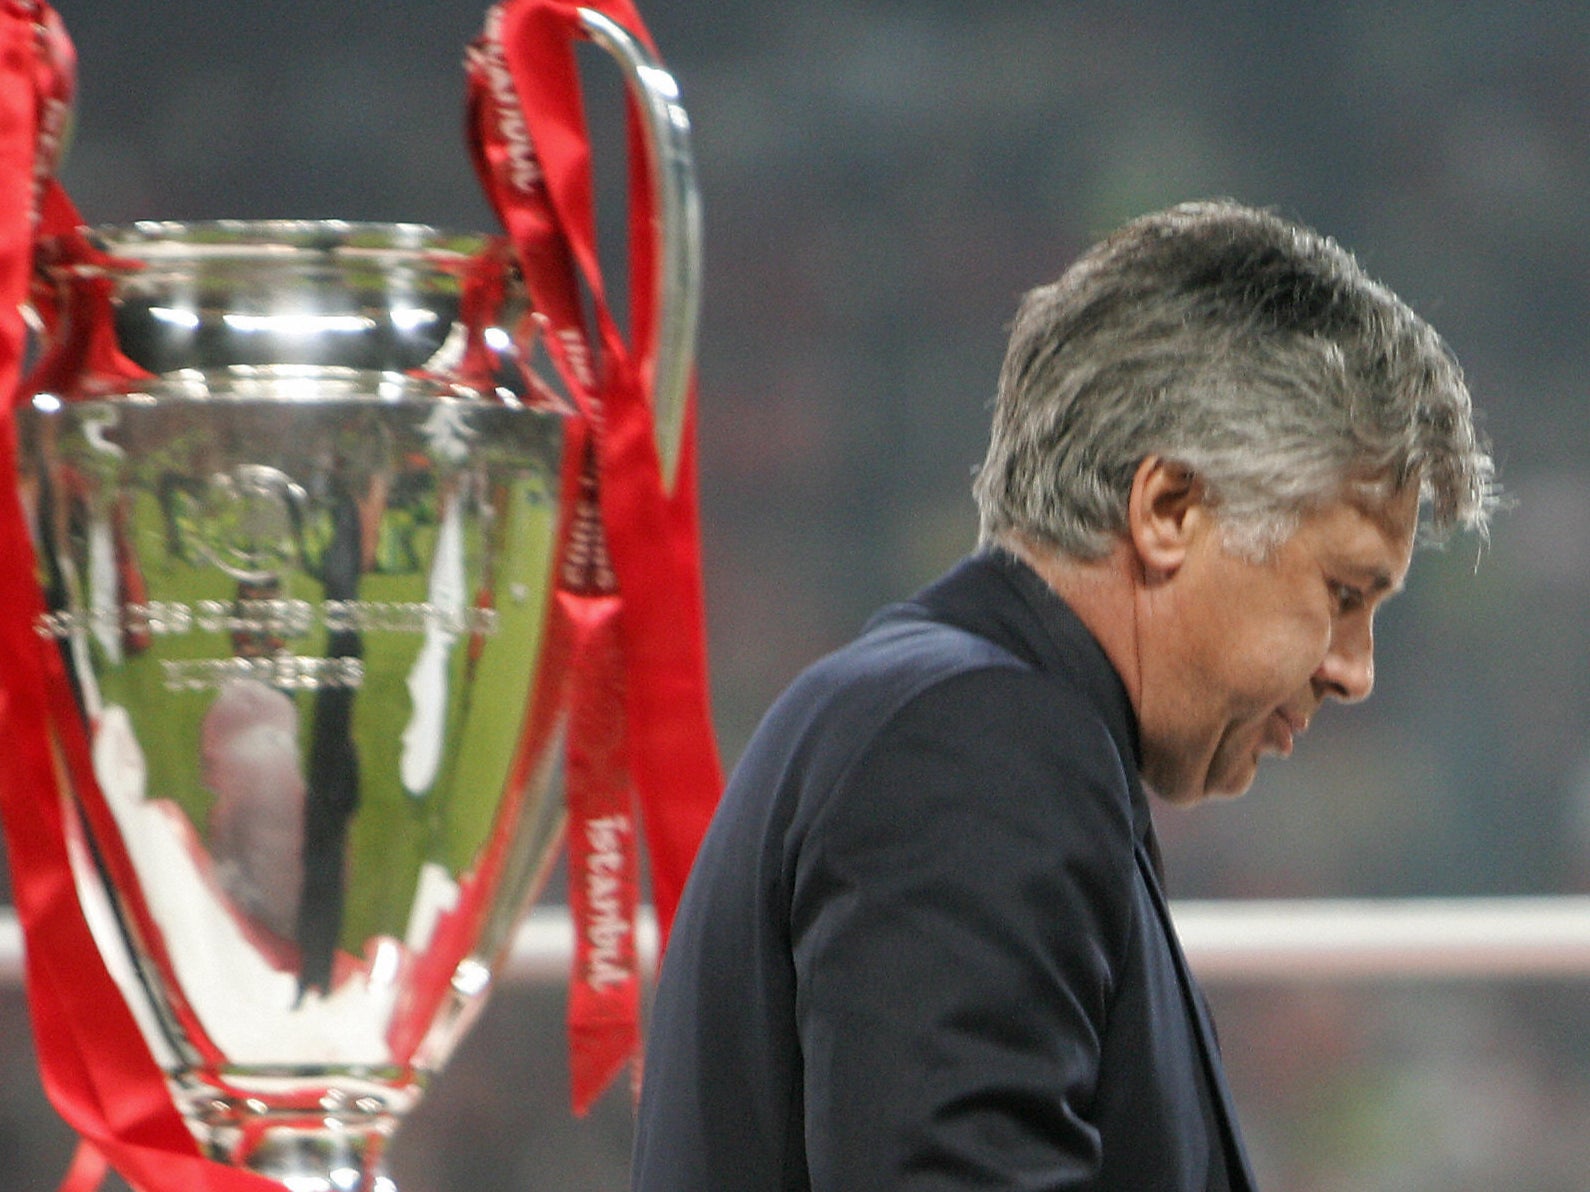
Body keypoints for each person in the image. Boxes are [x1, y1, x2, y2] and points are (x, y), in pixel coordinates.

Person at [632, 200, 1496, 1191]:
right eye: (1343, 595)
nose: (1355, 669)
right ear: (1169, 509)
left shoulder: (954, 718)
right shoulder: (976, 749)